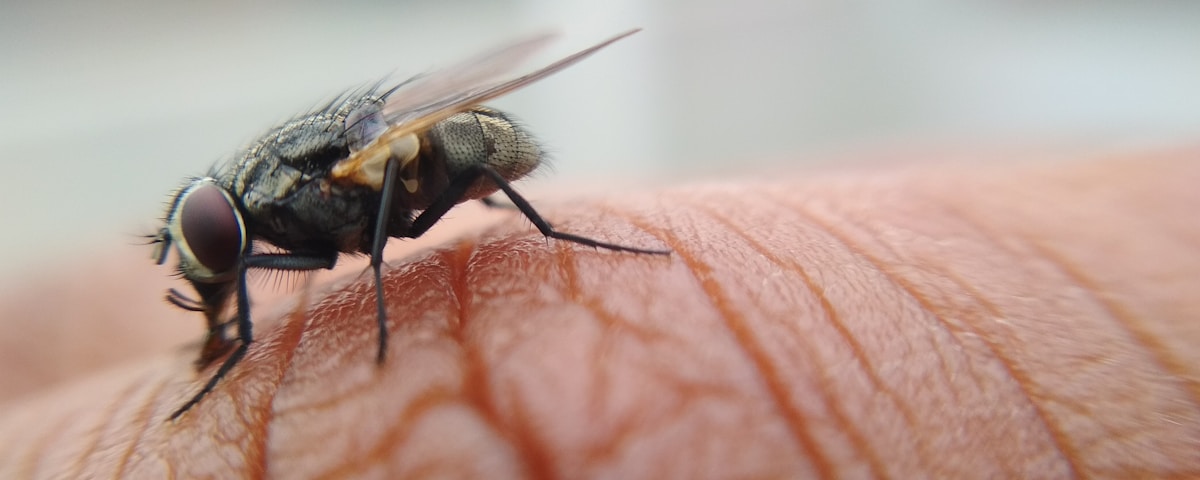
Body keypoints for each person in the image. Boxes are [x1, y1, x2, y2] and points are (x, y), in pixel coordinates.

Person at [1, 149, 1197, 478]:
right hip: (374, 194)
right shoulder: (261, 223)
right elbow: (260, 265)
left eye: (211, 242)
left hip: (439, 165)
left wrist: (373, 319)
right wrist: (220, 324)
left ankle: (561, 237)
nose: (218, 254)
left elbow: (412, 171)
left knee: (436, 182)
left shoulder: (295, 198)